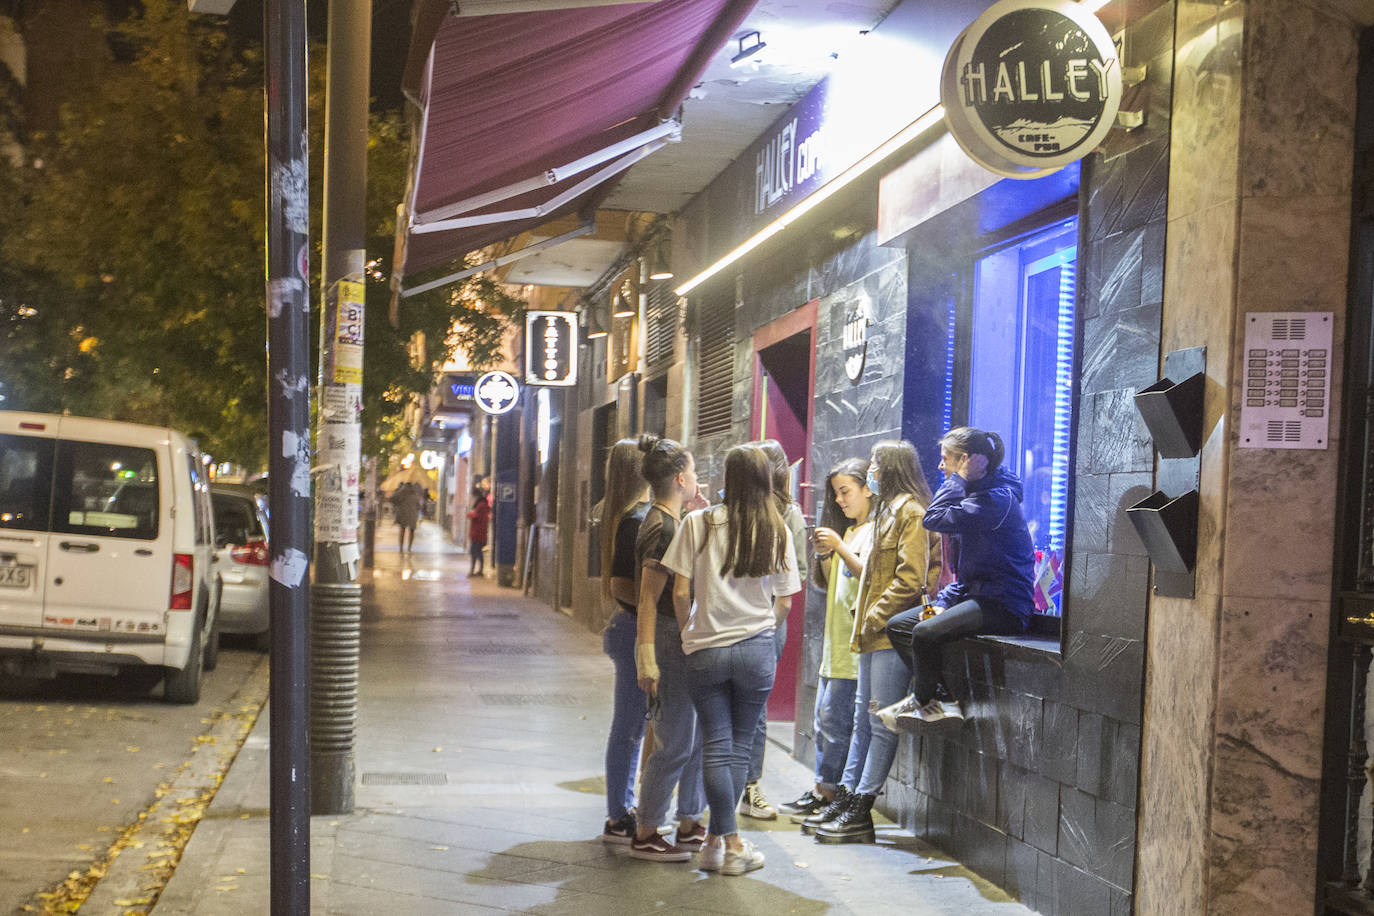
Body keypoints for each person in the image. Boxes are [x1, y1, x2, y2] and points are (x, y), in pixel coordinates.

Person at [660, 444, 802, 876]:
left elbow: (680, 591)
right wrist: (764, 628)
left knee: (716, 746)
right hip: (756, 648)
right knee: (738, 749)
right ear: (766, 481)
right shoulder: (776, 528)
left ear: (727, 477)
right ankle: (730, 844)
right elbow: (786, 601)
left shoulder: (697, 523)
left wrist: (688, 632)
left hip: (706, 648)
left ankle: (718, 844)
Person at [806, 440, 941, 844]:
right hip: (871, 633)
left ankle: (860, 810)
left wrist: (874, 615)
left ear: (894, 469)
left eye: (878, 466)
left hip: (889, 634)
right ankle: (847, 798)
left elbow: (911, 579)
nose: (872, 473)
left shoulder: (912, 514)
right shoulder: (888, 513)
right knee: (866, 721)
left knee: (882, 723)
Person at [884, 427, 1035, 725]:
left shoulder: (996, 501)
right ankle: (938, 697)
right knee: (899, 625)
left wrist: (958, 478)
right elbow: (968, 570)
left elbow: (933, 518)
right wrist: (945, 601)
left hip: (1004, 604)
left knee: (925, 633)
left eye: (946, 460)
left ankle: (926, 702)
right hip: (975, 595)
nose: (941, 467)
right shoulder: (977, 495)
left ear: (965, 459)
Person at [628, 434, 709, 862]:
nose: (697, 478)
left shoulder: (671, 520)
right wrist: (648, 659)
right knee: (675, 740)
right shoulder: (661, 527)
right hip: (668, 638)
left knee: (692, 736)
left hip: (678, 638)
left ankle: (689, 819)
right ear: (681, 477)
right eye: (693, 472)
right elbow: (647, 599)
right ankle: (646, 828)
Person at [778, 458, 873, 822]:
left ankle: (832, 793)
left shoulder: (874, 530)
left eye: (845, 491)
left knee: (836, 722)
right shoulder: (849, 532)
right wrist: (824, 555)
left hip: (854, 646)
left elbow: (870, 576)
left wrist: (839, 547)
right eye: (836, 494)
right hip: (836, 643)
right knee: (826, 720)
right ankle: (824, 789)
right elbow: (835, 581)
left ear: (868, 488)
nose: (840, 500)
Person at [738, 438, 807, 820]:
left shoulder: (789, 515)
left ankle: (750, 785)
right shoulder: (724, 510)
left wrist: (769, 623)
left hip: (766, 620)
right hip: (728, 619)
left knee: (755, 706)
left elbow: (796, 579)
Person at [598, 439, 651, 845]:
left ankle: (622, 808)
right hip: (633, 628)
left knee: (631, 726)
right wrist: (660, 606)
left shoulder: (617, 512)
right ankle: (619, 813)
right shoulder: (635, 518)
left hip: (625, 627)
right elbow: (620, 584)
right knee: (630, 727)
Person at [390, 480, 422, 553]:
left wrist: (397, 505)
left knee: (402, 530)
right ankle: (409, 548)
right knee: (412, 531)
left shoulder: (401, 493)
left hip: (402, 514)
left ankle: (401, 548)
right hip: (412, 516)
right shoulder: (414, 494)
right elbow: (419, 506)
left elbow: (392, 499)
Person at [466, 485, 490, 577]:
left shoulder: (480, 505)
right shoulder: (483, 504)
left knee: (474, 552)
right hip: (479, 532)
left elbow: (476, 516)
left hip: (477, 533)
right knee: (477, 552)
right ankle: (479, 570)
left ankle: (474, 570)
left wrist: (469, 514)